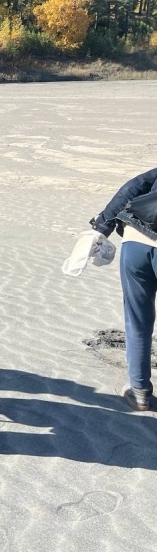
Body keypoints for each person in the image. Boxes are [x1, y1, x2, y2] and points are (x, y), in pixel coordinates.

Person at [90, 167, 157, 411]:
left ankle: (139, 393)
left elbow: (132, 186)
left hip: (136, 243)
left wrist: (101, 229)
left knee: (137, 319)